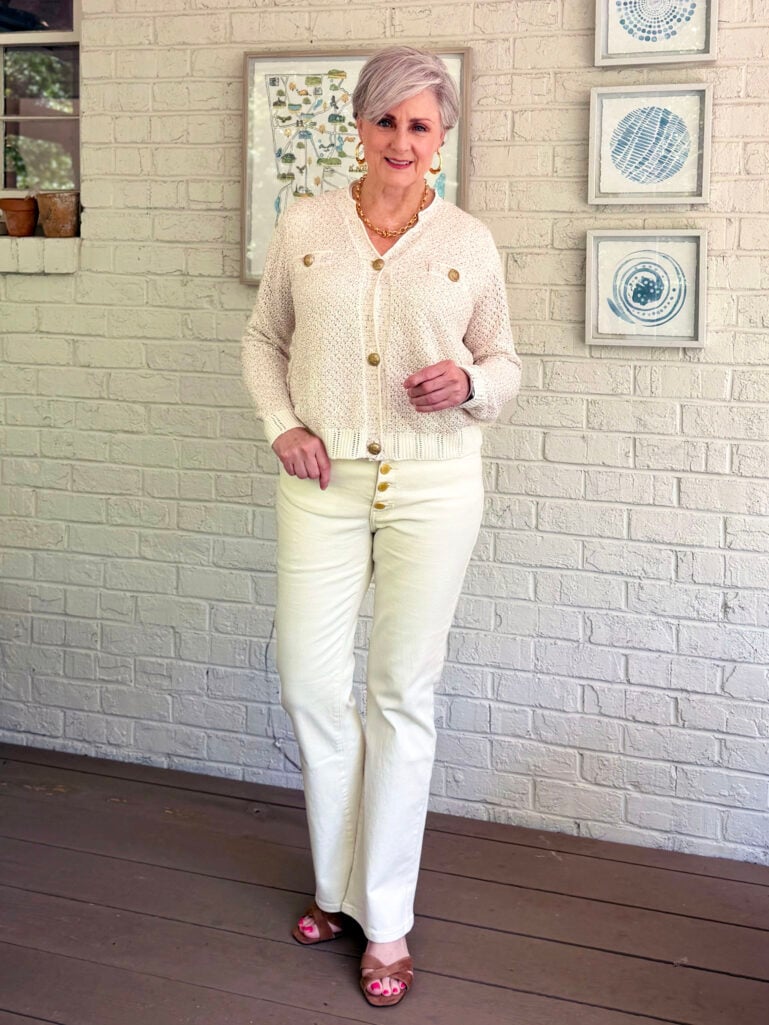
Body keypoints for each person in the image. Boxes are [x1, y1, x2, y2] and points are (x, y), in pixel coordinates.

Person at [241, 45, 521, 1008]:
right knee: (314, 687)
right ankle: (334, 886)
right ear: (357, 127)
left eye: (421, 125)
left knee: (401, 694)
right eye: (387, 120)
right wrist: (282, 426)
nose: (402, 140)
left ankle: (385, 919)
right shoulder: (306, 225)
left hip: (436, 486)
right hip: (321, 485)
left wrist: (472, 383)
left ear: (442, 139)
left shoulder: (468, 243)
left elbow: (505, 363)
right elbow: (262, 337)